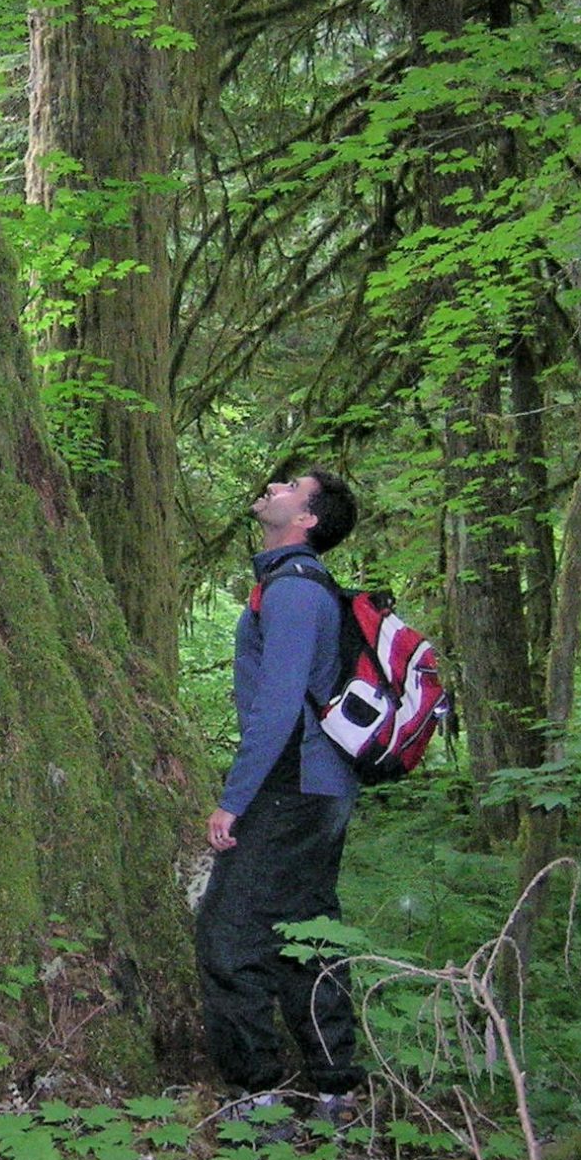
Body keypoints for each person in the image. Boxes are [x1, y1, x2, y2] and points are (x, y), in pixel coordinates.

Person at [194, 468, 366, 1105]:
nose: (274, 486)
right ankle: (334, 1089)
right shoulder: (294, 585)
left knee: (230, 934)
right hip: (320, 786)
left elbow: (277, 706)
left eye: (293, 486)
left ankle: (257, 1093)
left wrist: (234, 799)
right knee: (306, 930)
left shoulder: (294, 591)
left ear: (308, 519)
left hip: (291, 786)